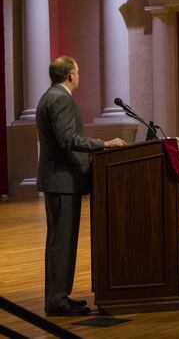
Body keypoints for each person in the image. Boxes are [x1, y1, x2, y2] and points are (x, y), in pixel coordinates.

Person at [36, 56, 127, 316]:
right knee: (61, 243)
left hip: (59, 180)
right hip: (62, 180)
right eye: (78, 71)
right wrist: (103, 144)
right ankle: (57, 301)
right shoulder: (61, 98)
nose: (79, 75)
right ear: (70, 76)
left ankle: (59, 296)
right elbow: (67, 139)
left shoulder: (50, 96)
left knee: (60, 242)